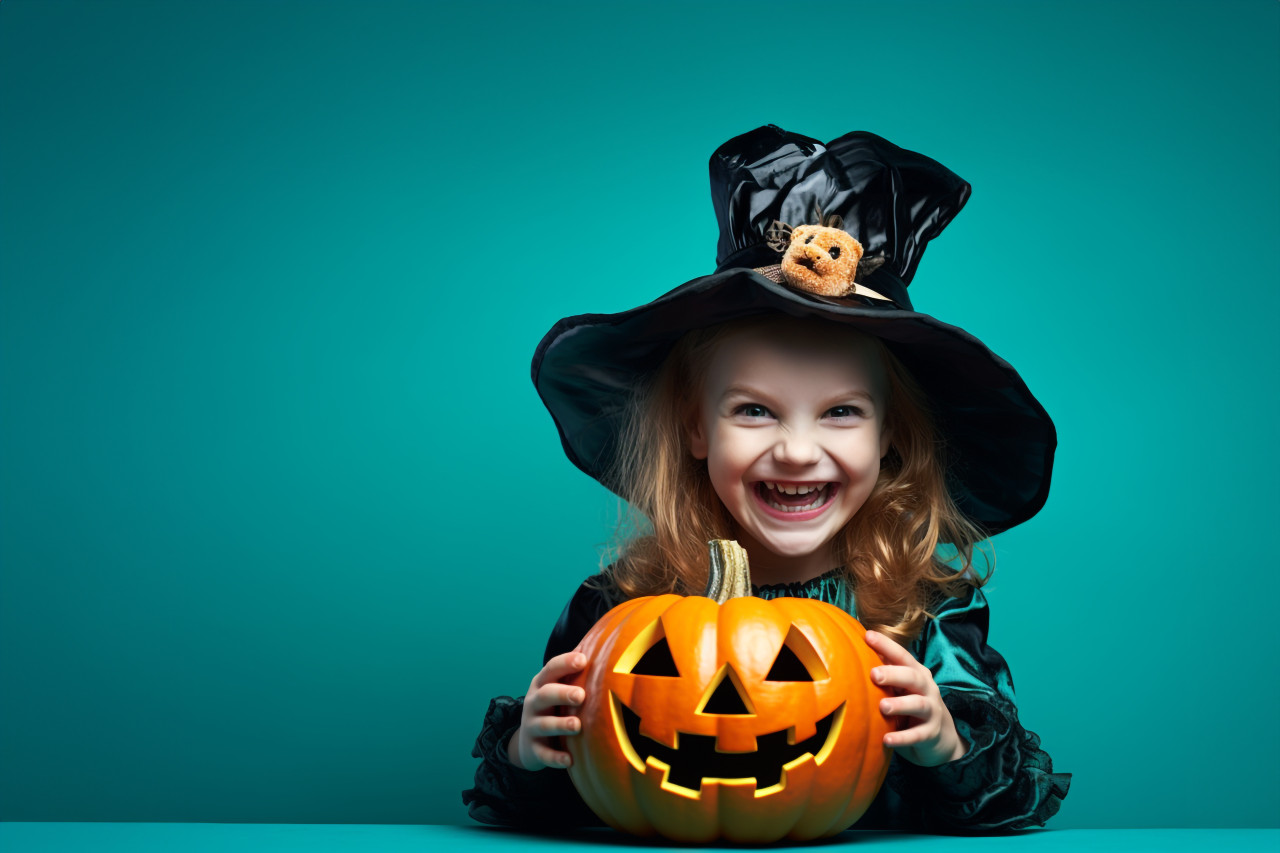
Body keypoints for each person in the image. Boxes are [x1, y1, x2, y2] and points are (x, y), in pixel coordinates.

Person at [462, 125, 1071, 833]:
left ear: (890, 437)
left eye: (841, 412)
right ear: (696, 428)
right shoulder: (620, 606)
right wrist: (529, 750)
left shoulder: (928, 616)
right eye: (754, 410)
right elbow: (582, 782)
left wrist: (948, 743)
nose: (797, 451)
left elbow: (1017, 797)